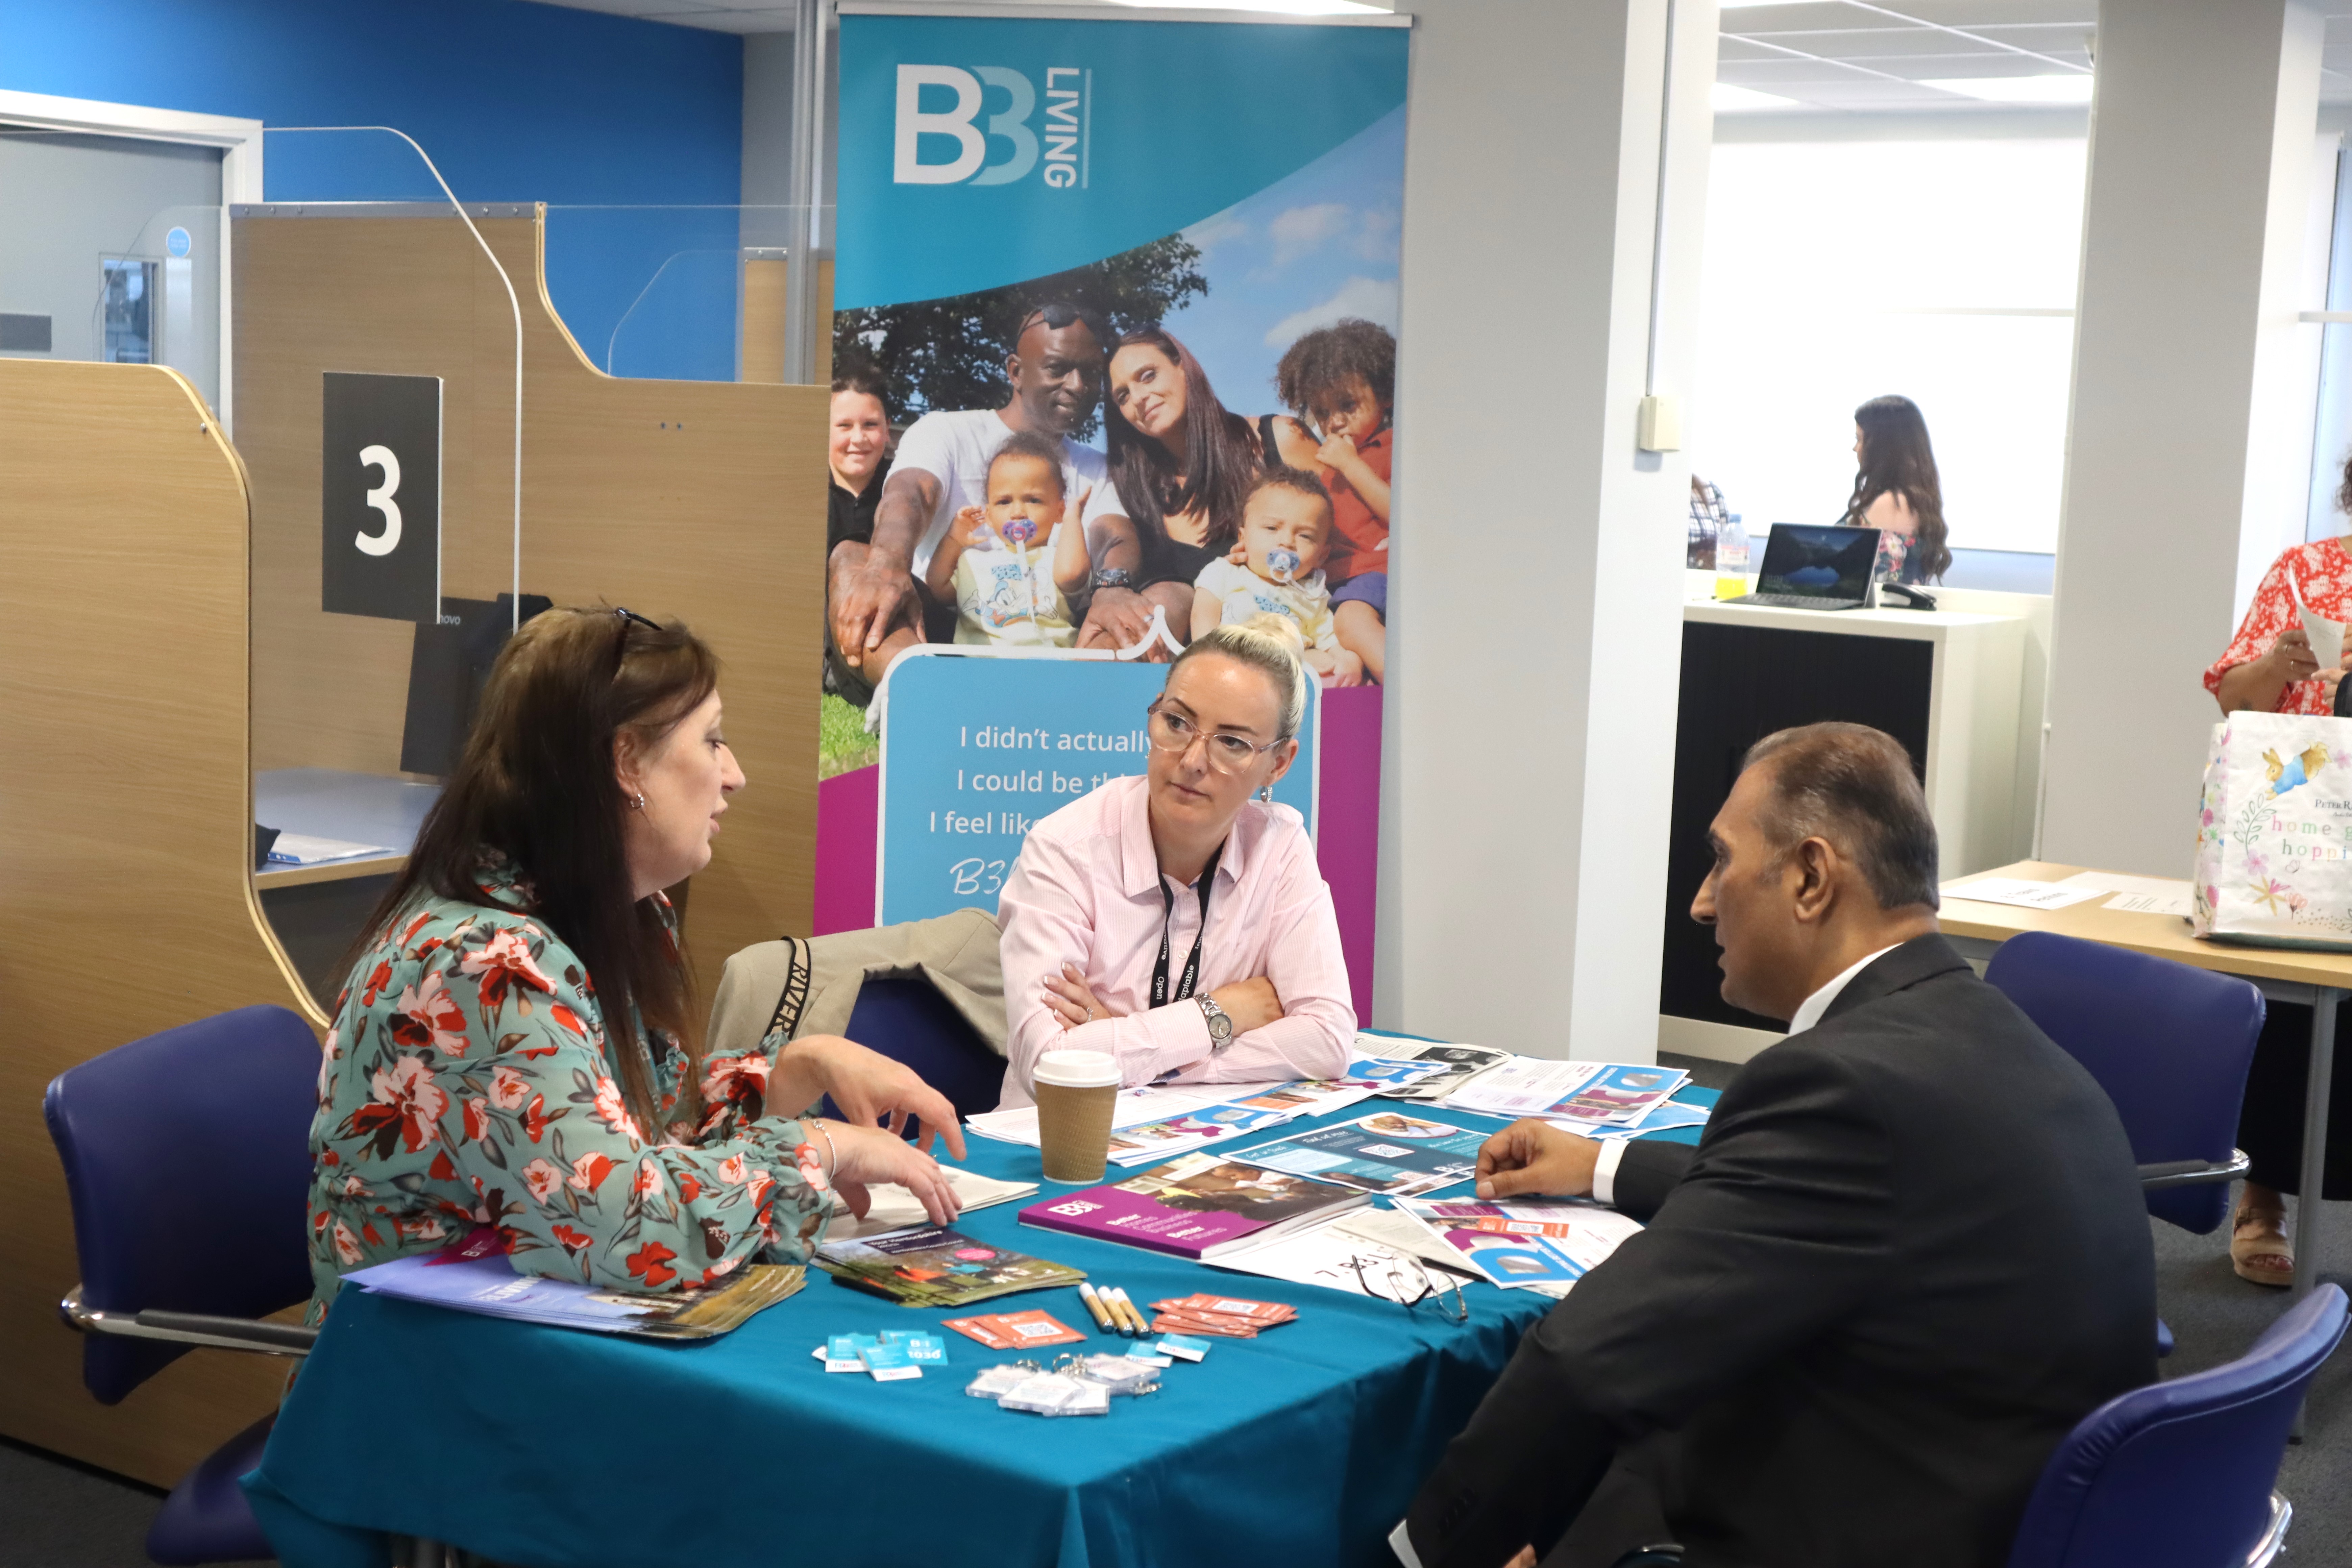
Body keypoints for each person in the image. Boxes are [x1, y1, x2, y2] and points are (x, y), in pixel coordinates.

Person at [1396, 722, 2154, 1568]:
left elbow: (1586, 1363)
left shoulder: (1840, 1087)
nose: (1702, 899)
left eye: (1721, 859)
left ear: (1808, 875)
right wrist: (1604, 1163)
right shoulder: (1980, 1031)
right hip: (2016, 1494)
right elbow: (1859, 1195)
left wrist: (1420, 1551)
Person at [305, 608, 965, 1320]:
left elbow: (635, 1128)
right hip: (419, 1376)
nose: (734, 774)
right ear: (625, 763)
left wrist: (789, 1073)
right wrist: (819, 1146)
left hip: (526, 1348)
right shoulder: (481, 966)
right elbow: (629, 1227)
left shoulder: (610, 912)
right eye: (711, 740)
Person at [992, 616, 1354, 1108]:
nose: (1191, 761)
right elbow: (1051, 1067)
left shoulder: (1281, 844)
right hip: (1055, 1148)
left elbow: (1328, 1039)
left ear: (1279, 763)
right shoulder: (1064, 849)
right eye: (1178, 723)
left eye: (1232, 743)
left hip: (1199, 1146)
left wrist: (1134, 1050)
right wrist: (1216, 1015)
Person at [2201, 454, 2352, 1284]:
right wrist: (2282, 665)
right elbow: (2232, 695)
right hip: (2296, 828)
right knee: (2288, 1012)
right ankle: (2261, 1199)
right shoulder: (2307, 571)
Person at [824, 302, 1128, 701]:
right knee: (851, 557)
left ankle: (1065, 703)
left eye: (1091, 373)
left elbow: (1116, 536)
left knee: (1138, 606)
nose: (1078, 385)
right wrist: (887, 562)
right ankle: (931, 695)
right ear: (1015, 371)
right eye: (1058, 369)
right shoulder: (946, 430)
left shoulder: (1097, 466)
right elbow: (911, 495)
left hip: (1053, 640)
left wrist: (1113, 587)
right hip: (935, 629)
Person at [1097, 325, 1320, 656]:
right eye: (1123, 396)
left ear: (1182, 366)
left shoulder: (1279, 440)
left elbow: (1348, 543)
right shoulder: (1136, 493)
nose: (1139, 398)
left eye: (1147, 376)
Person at [1277, 318, 1395, 683]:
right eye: (1324, 413)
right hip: (1335, 584)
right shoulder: (1328, 472)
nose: (1335, 422)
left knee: (1352, 621)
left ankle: (1411, 699)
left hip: (1376, 572)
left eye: (1348, 405)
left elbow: (1403, 513)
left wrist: (1351, 464)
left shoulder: (1393, 447)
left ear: (1385, 395)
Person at [1190, 468, 1363, 685]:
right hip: (1234, 663)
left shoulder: (1312, 595)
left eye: (1305, 536)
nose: (1287, 542)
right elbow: (1203, 616)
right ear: (1243, 537)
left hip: (1290, 678)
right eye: (1272, 528)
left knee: (1330, 669)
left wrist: (1349, 659)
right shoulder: (1225, 572)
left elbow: (1331, 640)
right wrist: (1206, 657)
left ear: (1322, 555)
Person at [924, 431, 1092, 647]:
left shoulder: (1059, 560)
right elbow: (937, 587)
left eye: (1033, 500)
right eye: (1004, 502)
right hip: (980, 667)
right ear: (990, 516)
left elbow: (1072, 575)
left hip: (1049, 665)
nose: (1018, 512)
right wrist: (954, 540)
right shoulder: (974, 563)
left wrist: (1072, 519)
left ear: (1059, 511)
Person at [1843, 394, 1951, 586]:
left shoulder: (1892, 503)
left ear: (1882, 446)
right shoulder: (1913, 498)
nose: (1855, 448)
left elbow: (1875, 583)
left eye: (1860, 440)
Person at [826, 368, 893, 558]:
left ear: (887, 429)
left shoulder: (902, 488)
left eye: (870, 425)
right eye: (844, 426)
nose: (858, 438)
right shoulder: (803, 491)